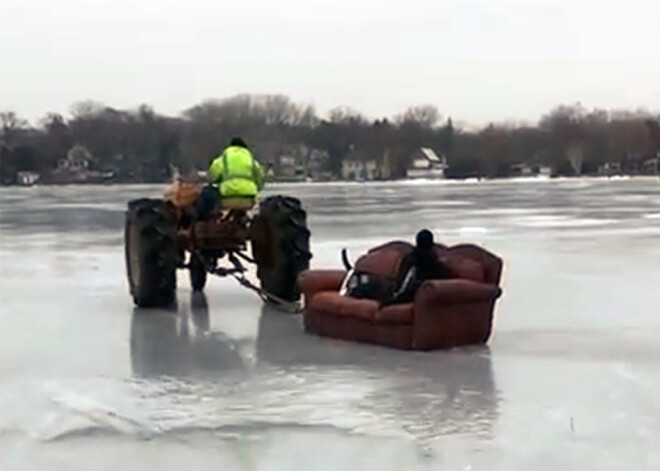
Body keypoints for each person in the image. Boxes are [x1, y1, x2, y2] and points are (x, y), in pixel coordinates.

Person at [195, 137, 265, 220]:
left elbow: (212, 176)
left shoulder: (224, 158)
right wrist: (257, 188)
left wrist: (219, 180)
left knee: (207, 192)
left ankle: (205, 221)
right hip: (248, 198)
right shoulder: (251, 159)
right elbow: (260, 178)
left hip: (227, 196)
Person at [389, 229, 454, 304]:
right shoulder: (434, 260)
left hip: (411, 294)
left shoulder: (412, 259)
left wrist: (396, 295)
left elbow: (405, 281)